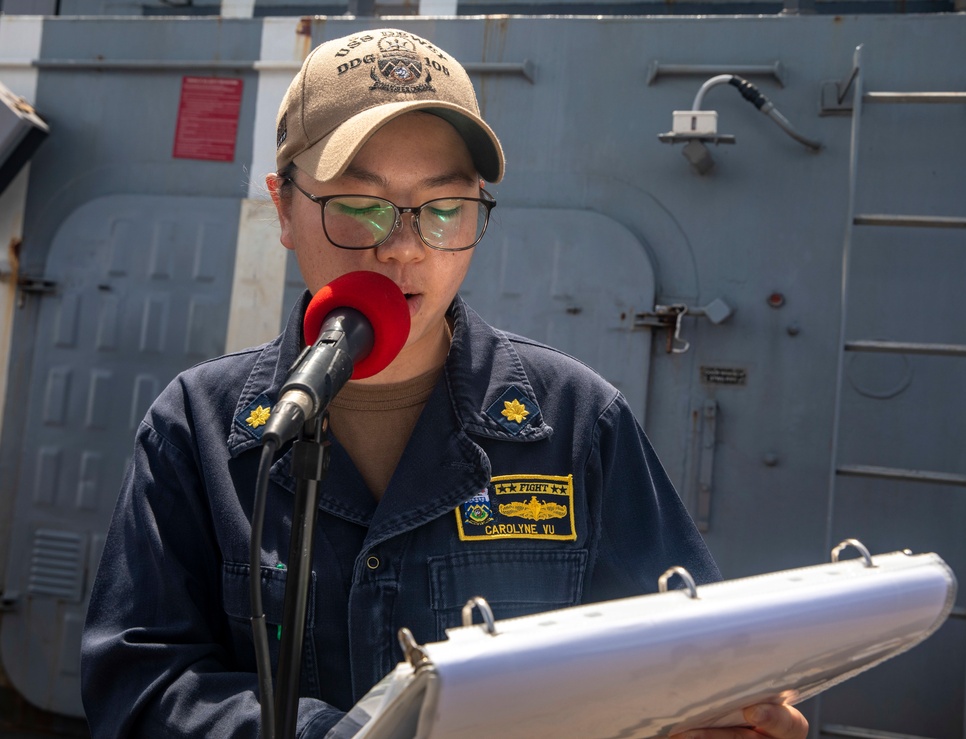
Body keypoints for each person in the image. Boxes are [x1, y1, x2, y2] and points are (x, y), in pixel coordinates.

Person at [81, 27, 808, 739]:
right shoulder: (198, 428)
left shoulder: (580, 423)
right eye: (359, 207)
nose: (402, 248)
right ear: (283, 208)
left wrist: (718, 717)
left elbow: (686, 663)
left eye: (443, 210)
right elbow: (141, 682)